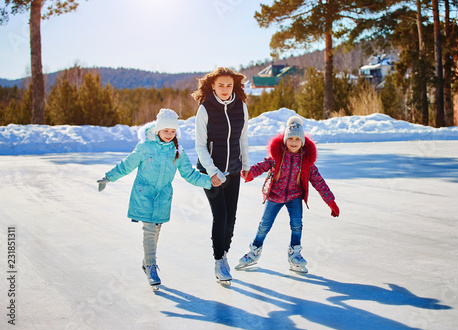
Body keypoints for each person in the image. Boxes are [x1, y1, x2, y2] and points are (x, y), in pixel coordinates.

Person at [96, 108, 212, 289]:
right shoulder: (145, 147)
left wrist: (210, 182)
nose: (169, 134)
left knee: (156, 229)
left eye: (173, 131)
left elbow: (189, 174)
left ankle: (147, 260)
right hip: (144, 194)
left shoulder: (177, 152)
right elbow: (127, 165)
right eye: (166, 130)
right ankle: (151, 266)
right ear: (158, 129)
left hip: (163, 196)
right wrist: (109, 177)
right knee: (149, 229)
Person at [236, 116, 340, 273]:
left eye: (297, 139)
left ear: (302, 141)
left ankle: (295, 254)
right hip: (274, 196)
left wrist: (330, 201)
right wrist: (249, 174)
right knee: (264, 225)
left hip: (294, 197)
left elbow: (319, 182)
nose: (294, 142)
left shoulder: (306, 161)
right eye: (290, 138)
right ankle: (254, 251)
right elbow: (262, 166)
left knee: (297, 225)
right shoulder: (277, 156)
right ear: (285, 139)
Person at [192, 67, 250, 284]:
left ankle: (224, 252)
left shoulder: (241, 106)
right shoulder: (205, 108)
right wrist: (213, 172)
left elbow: (242, 139)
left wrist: (246, 164)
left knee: (231, 217)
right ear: (212, 86)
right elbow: (199, 146)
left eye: (229, 85)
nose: (225, 89)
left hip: (233, 170)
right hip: (210, 173)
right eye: (220, 85)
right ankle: (219, 260)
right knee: (221, 216)